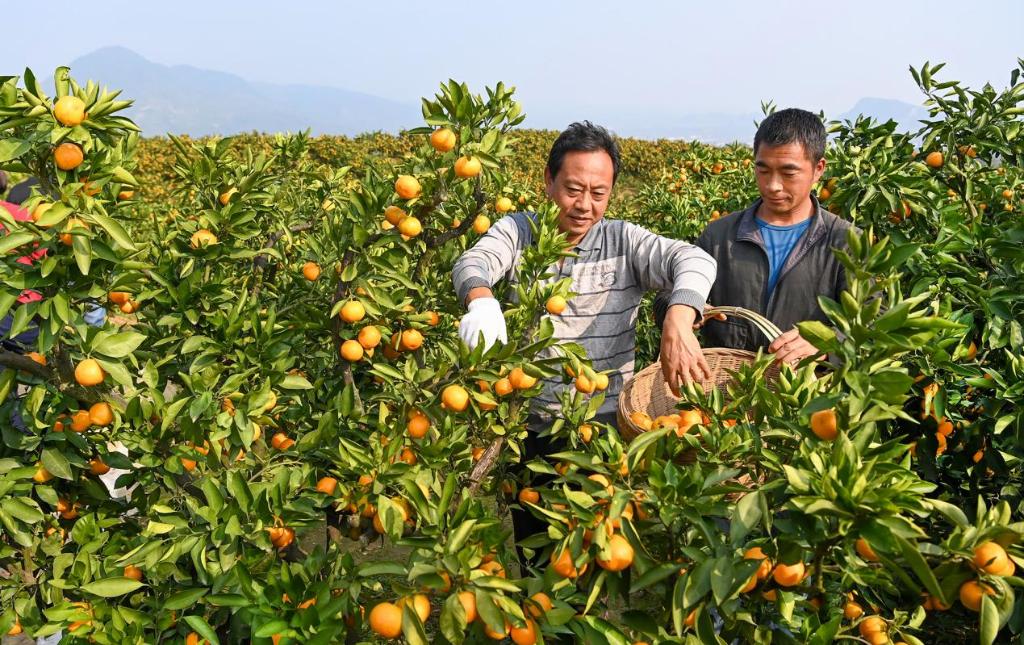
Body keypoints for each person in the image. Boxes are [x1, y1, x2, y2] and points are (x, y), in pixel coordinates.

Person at [451, 121, 717, 568]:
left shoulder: (624, 240)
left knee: (595, 557)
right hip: (531, 429)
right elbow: (474, 260)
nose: (585, 205)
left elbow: (692, 258)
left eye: (599, 193)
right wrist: (481, 302)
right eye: (573, 189)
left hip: (606, 432)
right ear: (548, 181)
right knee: (539, 560)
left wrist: (679, 312)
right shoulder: (519, 232)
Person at [655, 108, 854, 365]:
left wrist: (828, 342)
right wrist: (686, 308)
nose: (773, 185)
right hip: (727, 392)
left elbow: (874, 325)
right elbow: (666, 296)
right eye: (763, 170)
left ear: (818, 169)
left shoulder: (844, 241)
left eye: (788, 173)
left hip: (808, 398)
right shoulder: (720, 236)